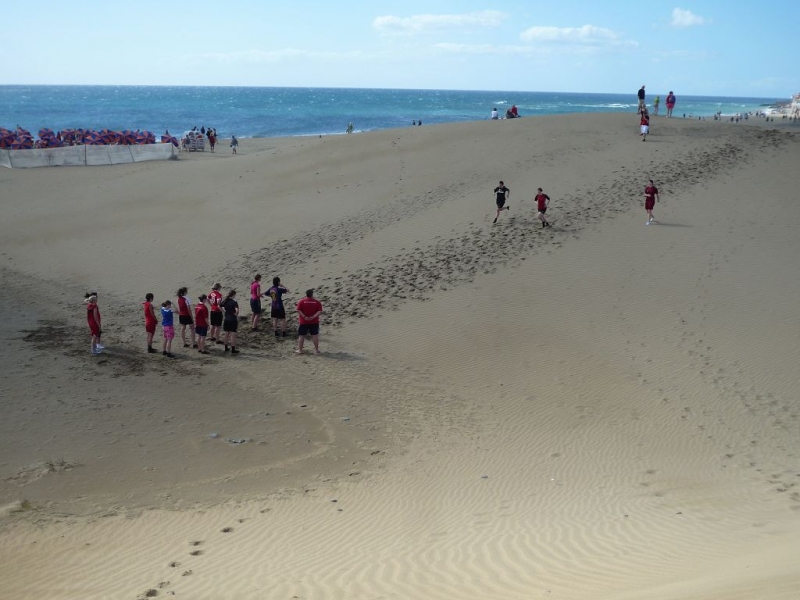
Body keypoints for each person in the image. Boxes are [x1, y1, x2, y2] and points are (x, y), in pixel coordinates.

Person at [296, 289, 323, 354]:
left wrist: (304, 317)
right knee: (314, 335)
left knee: (301, 335)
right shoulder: (316, 302)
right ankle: (316, 350)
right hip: (314, 322)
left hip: (303, 321)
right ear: (312, 294)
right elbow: (320, 311)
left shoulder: (302, 301)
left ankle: (300, 350)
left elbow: (298, 310)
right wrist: (313, 317)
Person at [221, 289, 240, 354]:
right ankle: (233, 348)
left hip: (226, 318)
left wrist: (224, 311)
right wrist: (236, 314)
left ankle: (226, 347)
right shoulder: (234, 302)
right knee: (233, 334)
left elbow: (219, 306)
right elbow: (237, 310)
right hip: (232, 319)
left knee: (226, 333)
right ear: (233, 295)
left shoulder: (225, 301)